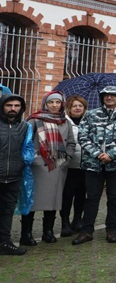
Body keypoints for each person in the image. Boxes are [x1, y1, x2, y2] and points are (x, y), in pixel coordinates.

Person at [72, 86, 116, 245]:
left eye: (113, 96)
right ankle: (86, 231)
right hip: (93, 164)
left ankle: (112, 229)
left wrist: (111, 154)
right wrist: (97, 154)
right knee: (92, 198)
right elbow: (83, 137)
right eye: (106, 95)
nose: (109, 98)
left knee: (115, 197)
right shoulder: (91, 115)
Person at [21, 91, 76, 245]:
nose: (54, 105)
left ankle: (48, 231)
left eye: (57, 102)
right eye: (51, 102)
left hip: (58, 166)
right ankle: (26, 234)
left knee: (53, 200)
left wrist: (67, 158)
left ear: (62, 104)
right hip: (37, 167)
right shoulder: (34, 120)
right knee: (32, 200)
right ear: (45, 103)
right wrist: (35, 159)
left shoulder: (65, 121)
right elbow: (26, 142)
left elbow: (71, 142)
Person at [0, 94, 33, 255]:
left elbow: (28, 149)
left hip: (13, 176)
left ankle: (4, 243)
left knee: (7, 211)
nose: (13, 109)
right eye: (9, 105)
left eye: (16, 106)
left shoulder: (25, 127)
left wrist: (21, 163)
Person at [60, 95, 87, 237]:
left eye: (80, 106)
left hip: (85, 165)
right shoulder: (63, 121)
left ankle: (77, 220)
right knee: (67, 195)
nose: (77, 108)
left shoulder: (89, 121)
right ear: (69, 108)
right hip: (68, 165)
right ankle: (64, 222)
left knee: (81, 195)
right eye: (74, 106)